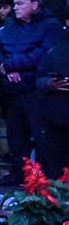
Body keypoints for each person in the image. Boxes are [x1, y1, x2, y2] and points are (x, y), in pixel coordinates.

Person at [0, 0, 63, 185]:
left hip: (36, 92)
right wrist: (3, 66)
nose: (15, 8)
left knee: (42, 137)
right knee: (16, 137)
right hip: (11, 91)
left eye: (20, 3)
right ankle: (17, 174)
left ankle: (47, 181)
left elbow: (45, 54)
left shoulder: (51, 26)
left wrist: (12, 64)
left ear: (35, 5)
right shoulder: (10, 24)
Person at [34, 30, 69, 178]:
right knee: (55, 167)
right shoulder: (56, 48)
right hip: (56, 117)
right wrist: (50, 83)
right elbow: (39, 78)